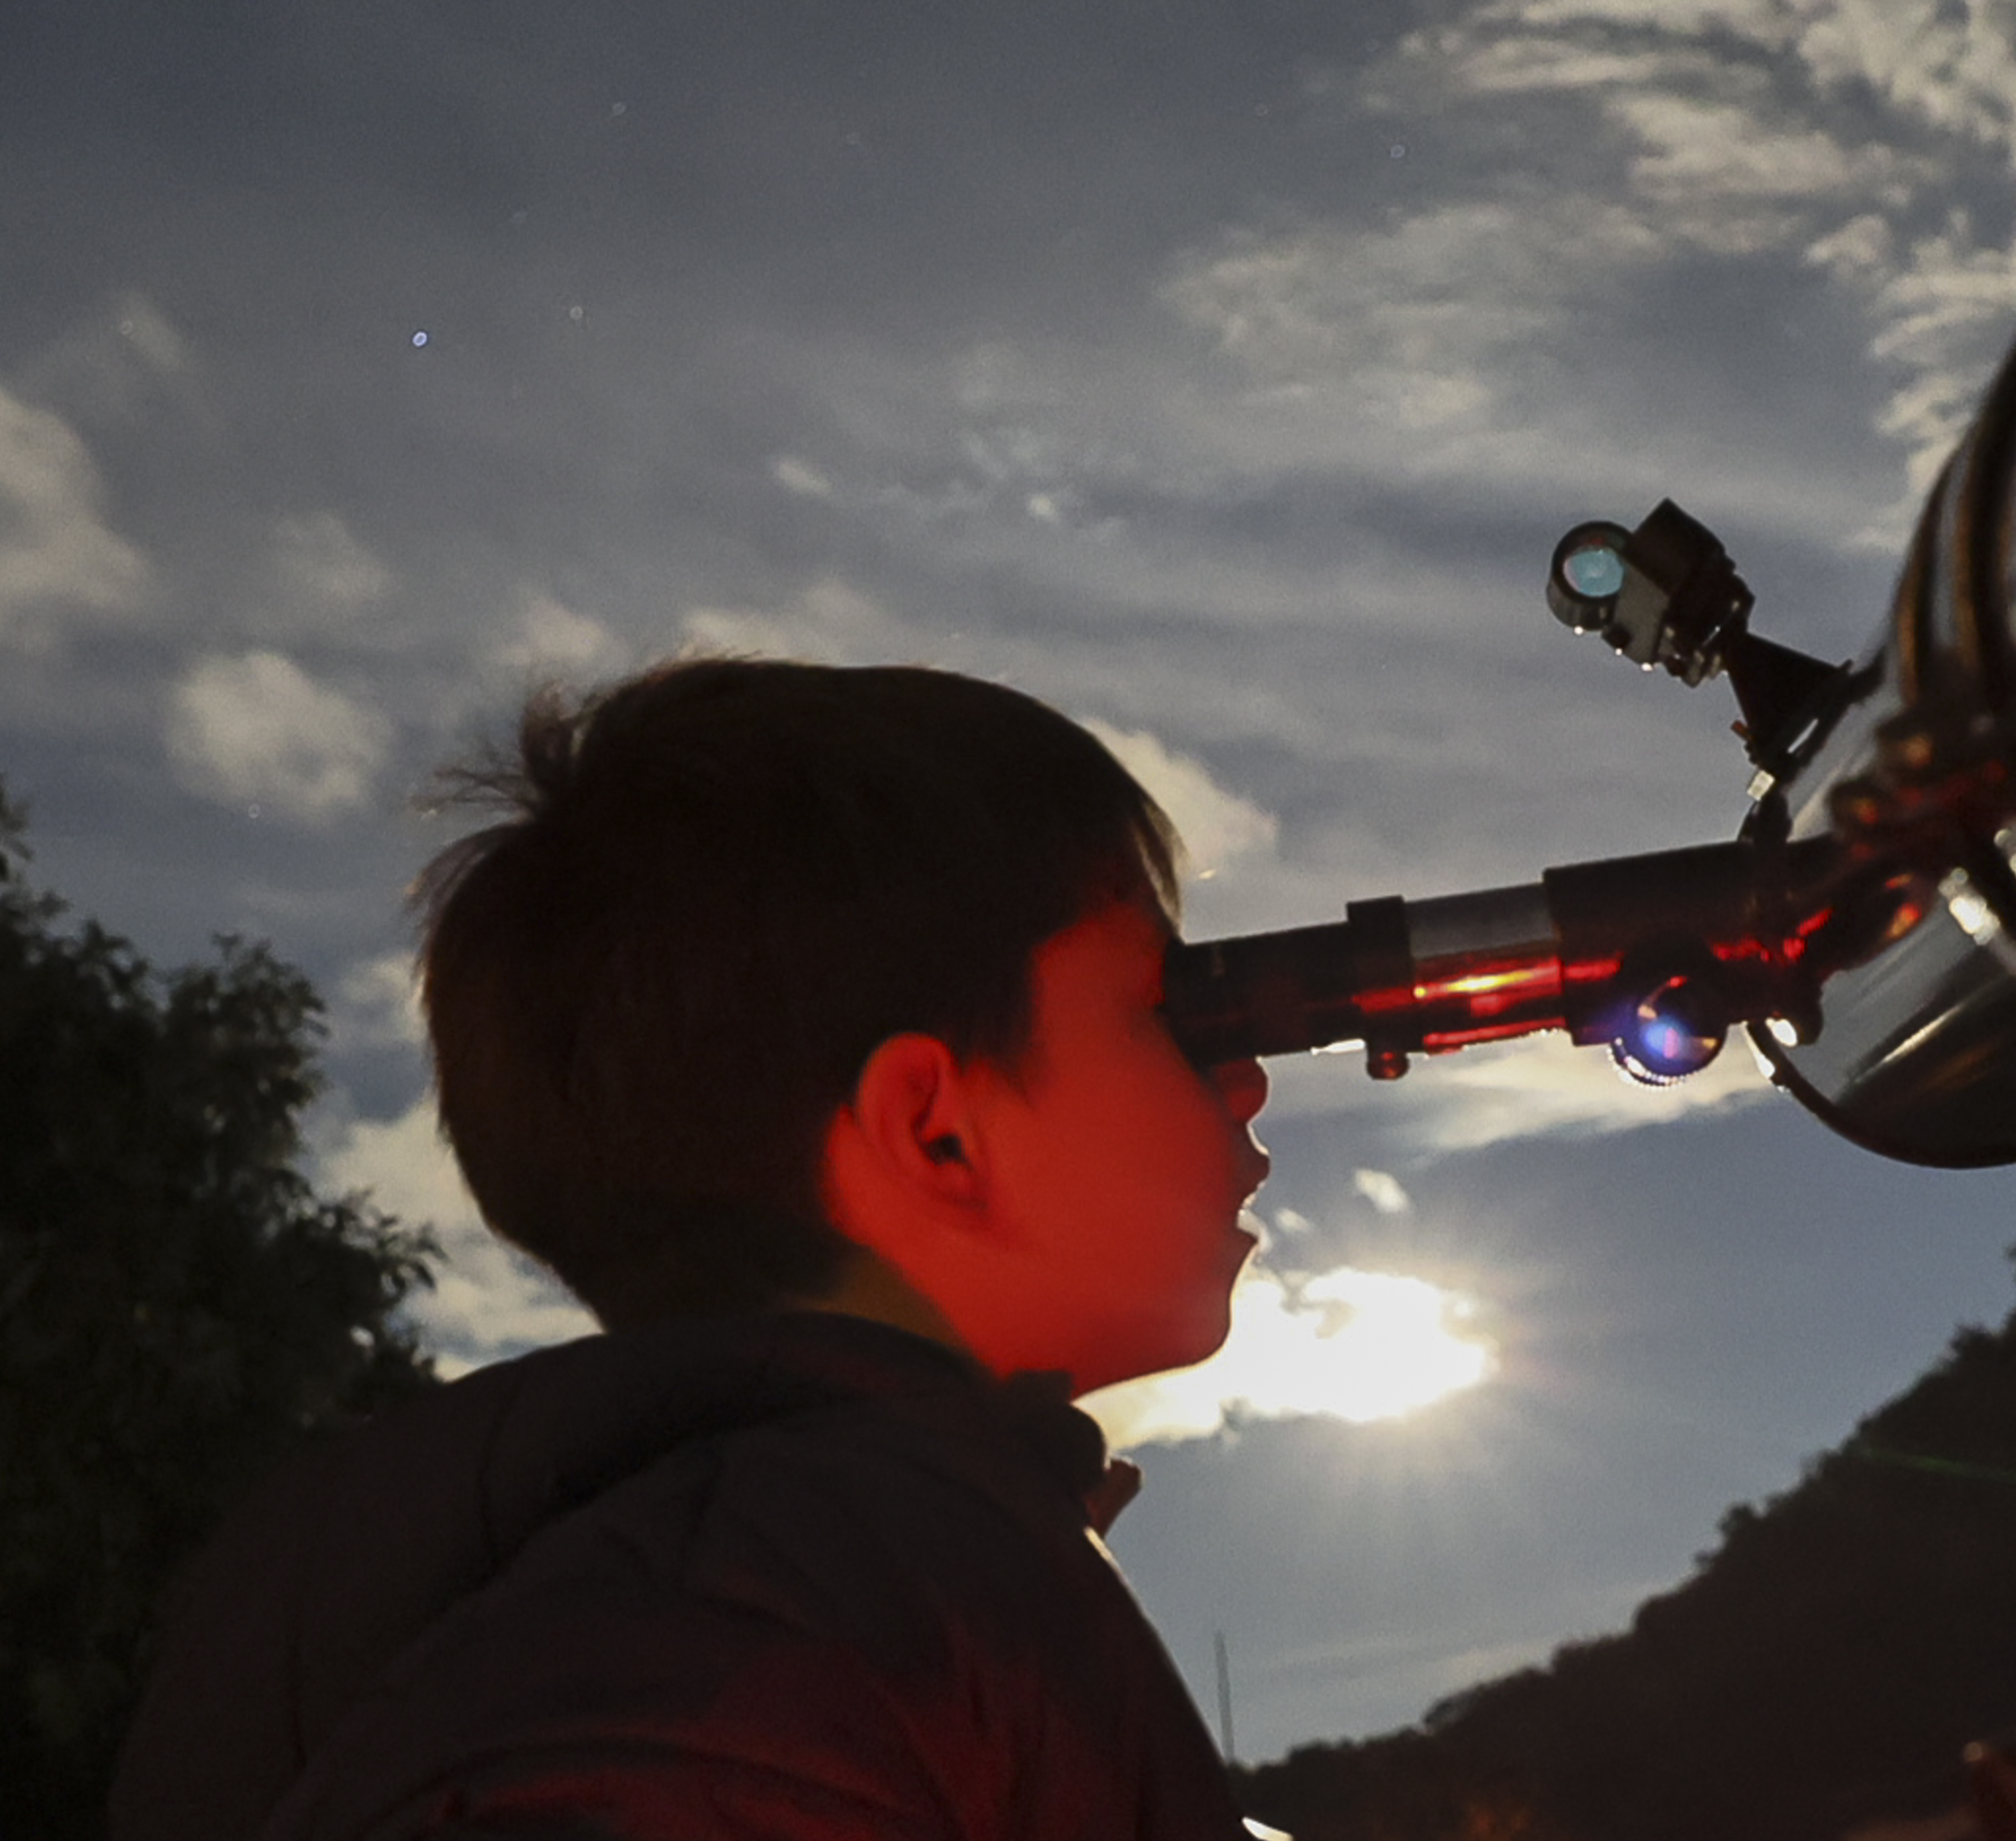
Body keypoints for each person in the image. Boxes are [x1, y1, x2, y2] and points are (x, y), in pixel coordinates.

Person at [109, 656, 1277, 1841]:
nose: (1241, 1080)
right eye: (1161, 1012)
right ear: (935, 1133)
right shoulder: (827, 1590)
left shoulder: (594, 1571)